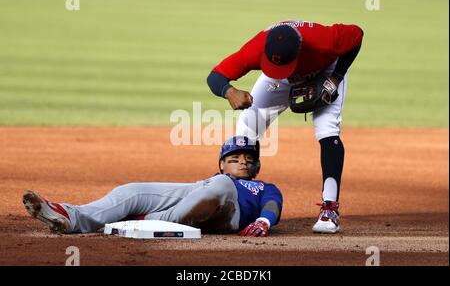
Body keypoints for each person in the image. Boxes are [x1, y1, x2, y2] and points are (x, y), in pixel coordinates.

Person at [207, 20, 364, 233]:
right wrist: (229, 91)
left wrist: (336, 77)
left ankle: (330, 209)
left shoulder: (325, 41)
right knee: (247, 127)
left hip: (324, 73)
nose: (280, 70)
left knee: (327, 129)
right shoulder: (256, 47)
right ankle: (241, 199)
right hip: (277, 82)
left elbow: (356, 35)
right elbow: (215, 76)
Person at [22, 136, 283, 237]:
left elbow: (273, 204)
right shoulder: (213, 180)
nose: (242, 163)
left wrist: (264, 220)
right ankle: (70, 216)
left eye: (249, 160)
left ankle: (144, 218)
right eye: (234, 159)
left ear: (257, 168)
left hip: (230, 212)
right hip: (201, 191)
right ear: (221, 163)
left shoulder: (264, 187)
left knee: (220, 186)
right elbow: (211, 187)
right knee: (132, 191)